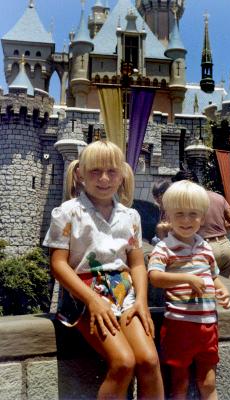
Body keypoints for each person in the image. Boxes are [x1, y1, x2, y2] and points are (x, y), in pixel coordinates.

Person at [43, 140, 164, 399]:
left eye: (111, 171)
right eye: (95, 171)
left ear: (121, 174)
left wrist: (141, 301)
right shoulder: (68, 212)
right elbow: (58, 264)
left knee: (149, 361)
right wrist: (93, 300)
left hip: (125, 293)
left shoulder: (130, 216)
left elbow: (136, 263)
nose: (104, 178)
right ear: (81, 174)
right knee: (123, 362)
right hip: (84, 297)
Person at [148, 180, 230, 400]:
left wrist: (222, 290)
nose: (186, 220)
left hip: (207, 325)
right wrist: (186, 278)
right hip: (179, 325)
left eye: (193, 214)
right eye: (179, 214)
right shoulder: (164, 248)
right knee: (180, 384)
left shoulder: (205, 247)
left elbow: (213, 277)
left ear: (202, 217)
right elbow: (155, 277)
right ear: (168, 216)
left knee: (208, 382)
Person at [171, 170, 230, 279]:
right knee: (225, 291)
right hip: (225, 247)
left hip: (204, 248)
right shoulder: (218, 197)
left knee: (204, 291)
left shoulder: (186, 201)